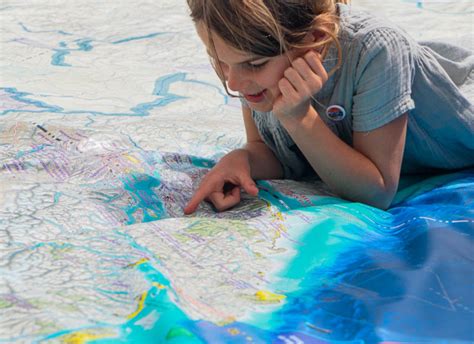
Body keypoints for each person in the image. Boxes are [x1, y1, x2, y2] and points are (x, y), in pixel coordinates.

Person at [183, 0, 474, 214]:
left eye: (253, 64)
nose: (233, 82)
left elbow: (377, 192)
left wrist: (300, 119)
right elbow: (272, 151)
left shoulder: (377, 50)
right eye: (219, 60)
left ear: (316, 39)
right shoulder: (259, 74)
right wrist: (242, 160)